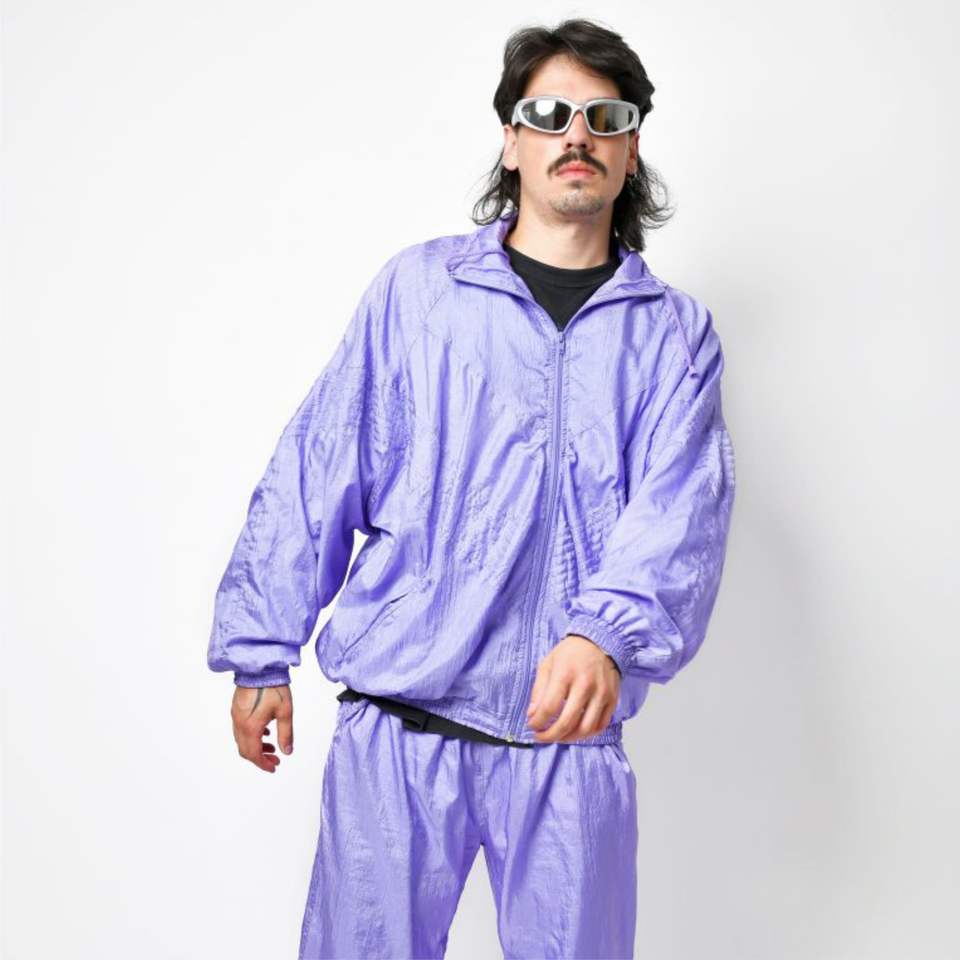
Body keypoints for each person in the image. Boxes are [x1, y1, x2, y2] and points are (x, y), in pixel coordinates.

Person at [207, 18, 736, 960]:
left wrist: (604, 632)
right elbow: (320, 466)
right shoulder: (420, 294)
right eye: (551, 114)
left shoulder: (673, 338)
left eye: (605, 117)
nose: (578, 135)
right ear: (512, 140)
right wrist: (260, 649)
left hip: (567, 748)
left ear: (632, 149)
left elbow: (682, 512)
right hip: (398, 732)